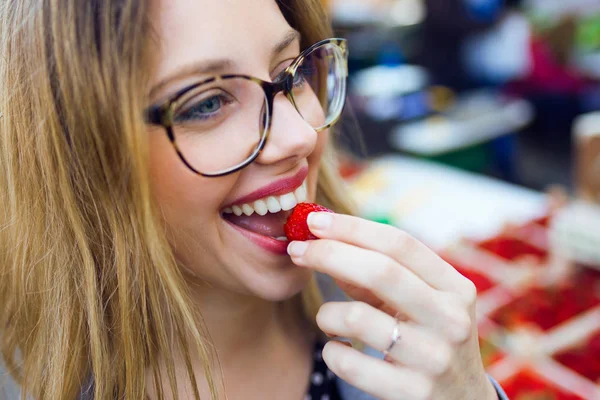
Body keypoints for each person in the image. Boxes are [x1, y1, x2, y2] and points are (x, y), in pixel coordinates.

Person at [0, 0, 509, 399]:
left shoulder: (396, 317)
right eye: (207, 102)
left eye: (291, 73)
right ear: (79, 158)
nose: (299, 136)